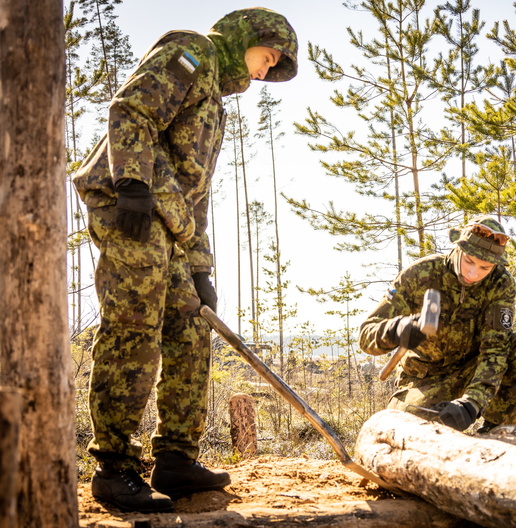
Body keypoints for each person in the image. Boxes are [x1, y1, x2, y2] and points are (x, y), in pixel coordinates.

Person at [72, 8, 298, 513]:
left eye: (273, 65)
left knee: (191, 328)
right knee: (135, 327)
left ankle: (176, 459)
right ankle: (114, 468)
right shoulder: (192, 51)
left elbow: (195, 195)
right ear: (246, 37)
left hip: (168, 222)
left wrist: (200, 266)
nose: (265, 69)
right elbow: (132, 110)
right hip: (131, 206)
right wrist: (132, 184)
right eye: (267, 56)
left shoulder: (215, 100)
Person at [358, 216, 516, 433]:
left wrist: (472, 403)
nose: (473, 274)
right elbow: (366, 337)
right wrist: (396, 330)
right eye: (469, 261)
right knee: (403, 434)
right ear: (458, 248)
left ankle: (500, 432)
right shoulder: (421, 273)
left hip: (474, 369)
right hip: (424, 380)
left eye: (485, 267)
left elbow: (495, 349)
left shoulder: (500, 283)